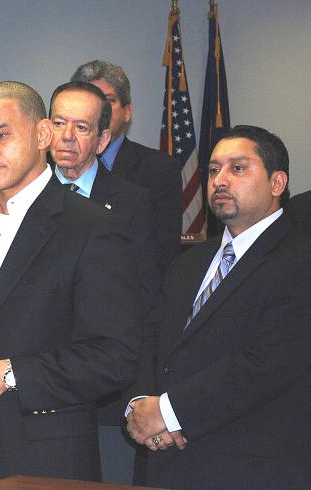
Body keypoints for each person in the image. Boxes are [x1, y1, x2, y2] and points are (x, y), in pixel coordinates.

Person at [0, 81, 142, 489]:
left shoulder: (90, 227)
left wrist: (9, 374)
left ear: (42, 136)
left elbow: (114, 356)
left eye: (1, 135)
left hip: (44, 458)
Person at [126, 126, 311, 488]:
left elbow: (265, 364)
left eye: (238, 168)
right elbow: (151, 340)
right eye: (213, 170)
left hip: (249, 470)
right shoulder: (188, 263)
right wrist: (139, 406)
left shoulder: (299, 260)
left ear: (277, 183)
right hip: (165, 462)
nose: (219, 180)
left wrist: (168, 412)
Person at [48, 81, 159, 485]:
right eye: (58, 122)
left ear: (102, 139)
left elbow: (147, 297)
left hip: (108, 392)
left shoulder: (131, 202)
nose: (66, 136)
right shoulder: (25, 198)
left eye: (80, 126)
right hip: (40, 389)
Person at [72, 60, 182, 276]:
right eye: (89, 101)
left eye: (108, 101)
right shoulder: (48, 168)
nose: (99, 111)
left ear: (127, 112)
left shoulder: (159, 170)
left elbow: (163, 259)